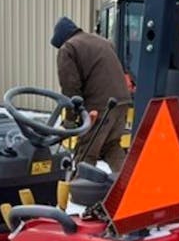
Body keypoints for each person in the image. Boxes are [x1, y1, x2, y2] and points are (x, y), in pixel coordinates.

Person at [50, 16, 130, 171]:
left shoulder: (68, 48)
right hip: (122, 102)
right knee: (111, 147)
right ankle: (128, 188)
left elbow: (70, 89)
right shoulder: (102, 42)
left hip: (99, 108)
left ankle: (80, 193)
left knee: (86, 152)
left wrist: (70, 121)